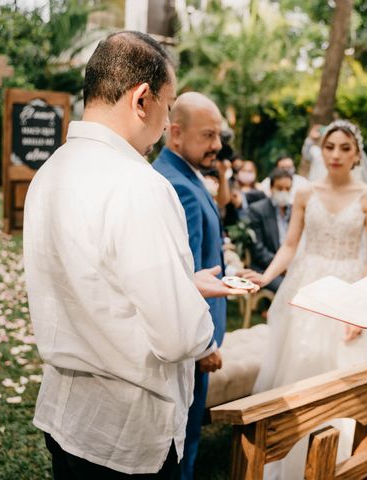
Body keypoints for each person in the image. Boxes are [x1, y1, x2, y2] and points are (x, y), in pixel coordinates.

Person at [23, 31, 250, 479]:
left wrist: (182, 281)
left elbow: (95, 279)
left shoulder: (49, 173)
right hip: (126, 433)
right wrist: (197, 319)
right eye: (167, 107)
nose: (167, 125)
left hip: (67, 414)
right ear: (142, 99)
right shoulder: (140, 185)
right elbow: (179, 336)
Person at [243, 119, 367, 478]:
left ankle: (341, 462)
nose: (335, 154)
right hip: (307, 287)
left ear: (356, 155)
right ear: (320, 150)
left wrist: (360, 310)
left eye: (344, 148)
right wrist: (266, 277)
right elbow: (290, 245)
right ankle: (291, 461)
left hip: (348, 288)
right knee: (302, 363)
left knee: (343, 372)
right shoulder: (305, 193)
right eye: (329, 147)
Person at [152, 92, 230, 480]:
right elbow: (185, 277)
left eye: (218, 135)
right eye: (209, 135)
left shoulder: (183, 172)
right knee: (185, 438)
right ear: (176, 133)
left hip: (194, 336)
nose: (217, 145)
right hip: (192, 342)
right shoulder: (176, 184)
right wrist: (204, 344)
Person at [247, 168, 293, 292]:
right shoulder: (257, 210)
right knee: (287, 289)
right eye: (280, 188)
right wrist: (281, 267)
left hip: (292, 266)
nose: (284, 192)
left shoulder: (294, 211)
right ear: (271, 188)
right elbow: (258, 250)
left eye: (287, 189)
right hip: (266, 268)